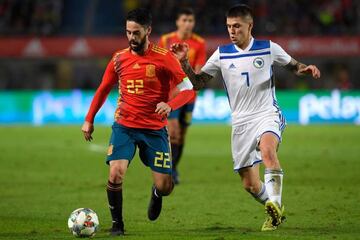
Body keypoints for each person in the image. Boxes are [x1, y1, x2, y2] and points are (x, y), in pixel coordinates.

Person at [170, 4, 320, 231]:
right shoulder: (222, 53)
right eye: (229, 26)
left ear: (250, 26)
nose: (232, 31)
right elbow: (198, 83)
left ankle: (275, 207)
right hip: (240, 122)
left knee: (268, 151)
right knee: (249, 184)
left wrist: (305, 68)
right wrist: (184, 63)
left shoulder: (268, 48)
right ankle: (274, 206)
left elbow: (293, 65)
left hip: (266, 113)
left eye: (237, 26)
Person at [81, 8, 194, 236]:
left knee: (165, 186)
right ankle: (117, 225)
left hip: (154, 129)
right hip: (125, 125)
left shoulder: (165, 57)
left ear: (148, 31)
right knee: (115, 173)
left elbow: (188, 90)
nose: (131, 38)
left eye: (136, 33)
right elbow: (103, 89)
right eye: (128, 32)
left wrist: (170, 105)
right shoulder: (119, 59)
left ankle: (156, 192)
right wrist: (89, 119)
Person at [158, 7, 206, 184]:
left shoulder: (199, 43)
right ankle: (168, 171)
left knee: (182, 135)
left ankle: (174, 168)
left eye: (190, 21)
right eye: (184, 20)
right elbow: (160, 65)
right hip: (172, 95)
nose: (187, 24)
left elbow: (199, 70)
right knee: (173, 132)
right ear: (177, 22)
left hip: (190, 96)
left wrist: (191, 82)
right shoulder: (166, 40)